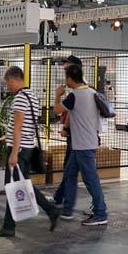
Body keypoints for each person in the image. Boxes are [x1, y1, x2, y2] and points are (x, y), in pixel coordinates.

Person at [0, 67, 60, 237]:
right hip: (26, 147)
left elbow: (19, 127)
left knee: (13, 186)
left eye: (8, 83)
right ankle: (14, 223)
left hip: (19, 150)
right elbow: (26, 126)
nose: (8, 87)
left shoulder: (20, 98)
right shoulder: (31, 96)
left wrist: (13, 152)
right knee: (19, 185)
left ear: (13, 79)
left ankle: (11, 225)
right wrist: (7, 137)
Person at [54, 64, 108, 226]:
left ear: (70, 79)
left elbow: (57, 109)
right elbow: (74, 115)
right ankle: (68, 209)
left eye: (66, 78)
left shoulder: (74, 95)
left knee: (90, 179)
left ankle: (100, 213)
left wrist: (57, 95)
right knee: (70, 173)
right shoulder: (91, 92)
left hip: (83, 145)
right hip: (84, 143)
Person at [52, 55, 83, 206]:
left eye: (67, 70)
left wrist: (66, 127)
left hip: (78, 137)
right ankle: (60, 198)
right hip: (80, 137)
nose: (65, 74)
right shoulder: (83, 90)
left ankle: (67, 204)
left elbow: (64, 110)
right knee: (71, 169)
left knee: (76, 172)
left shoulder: (78, 92)